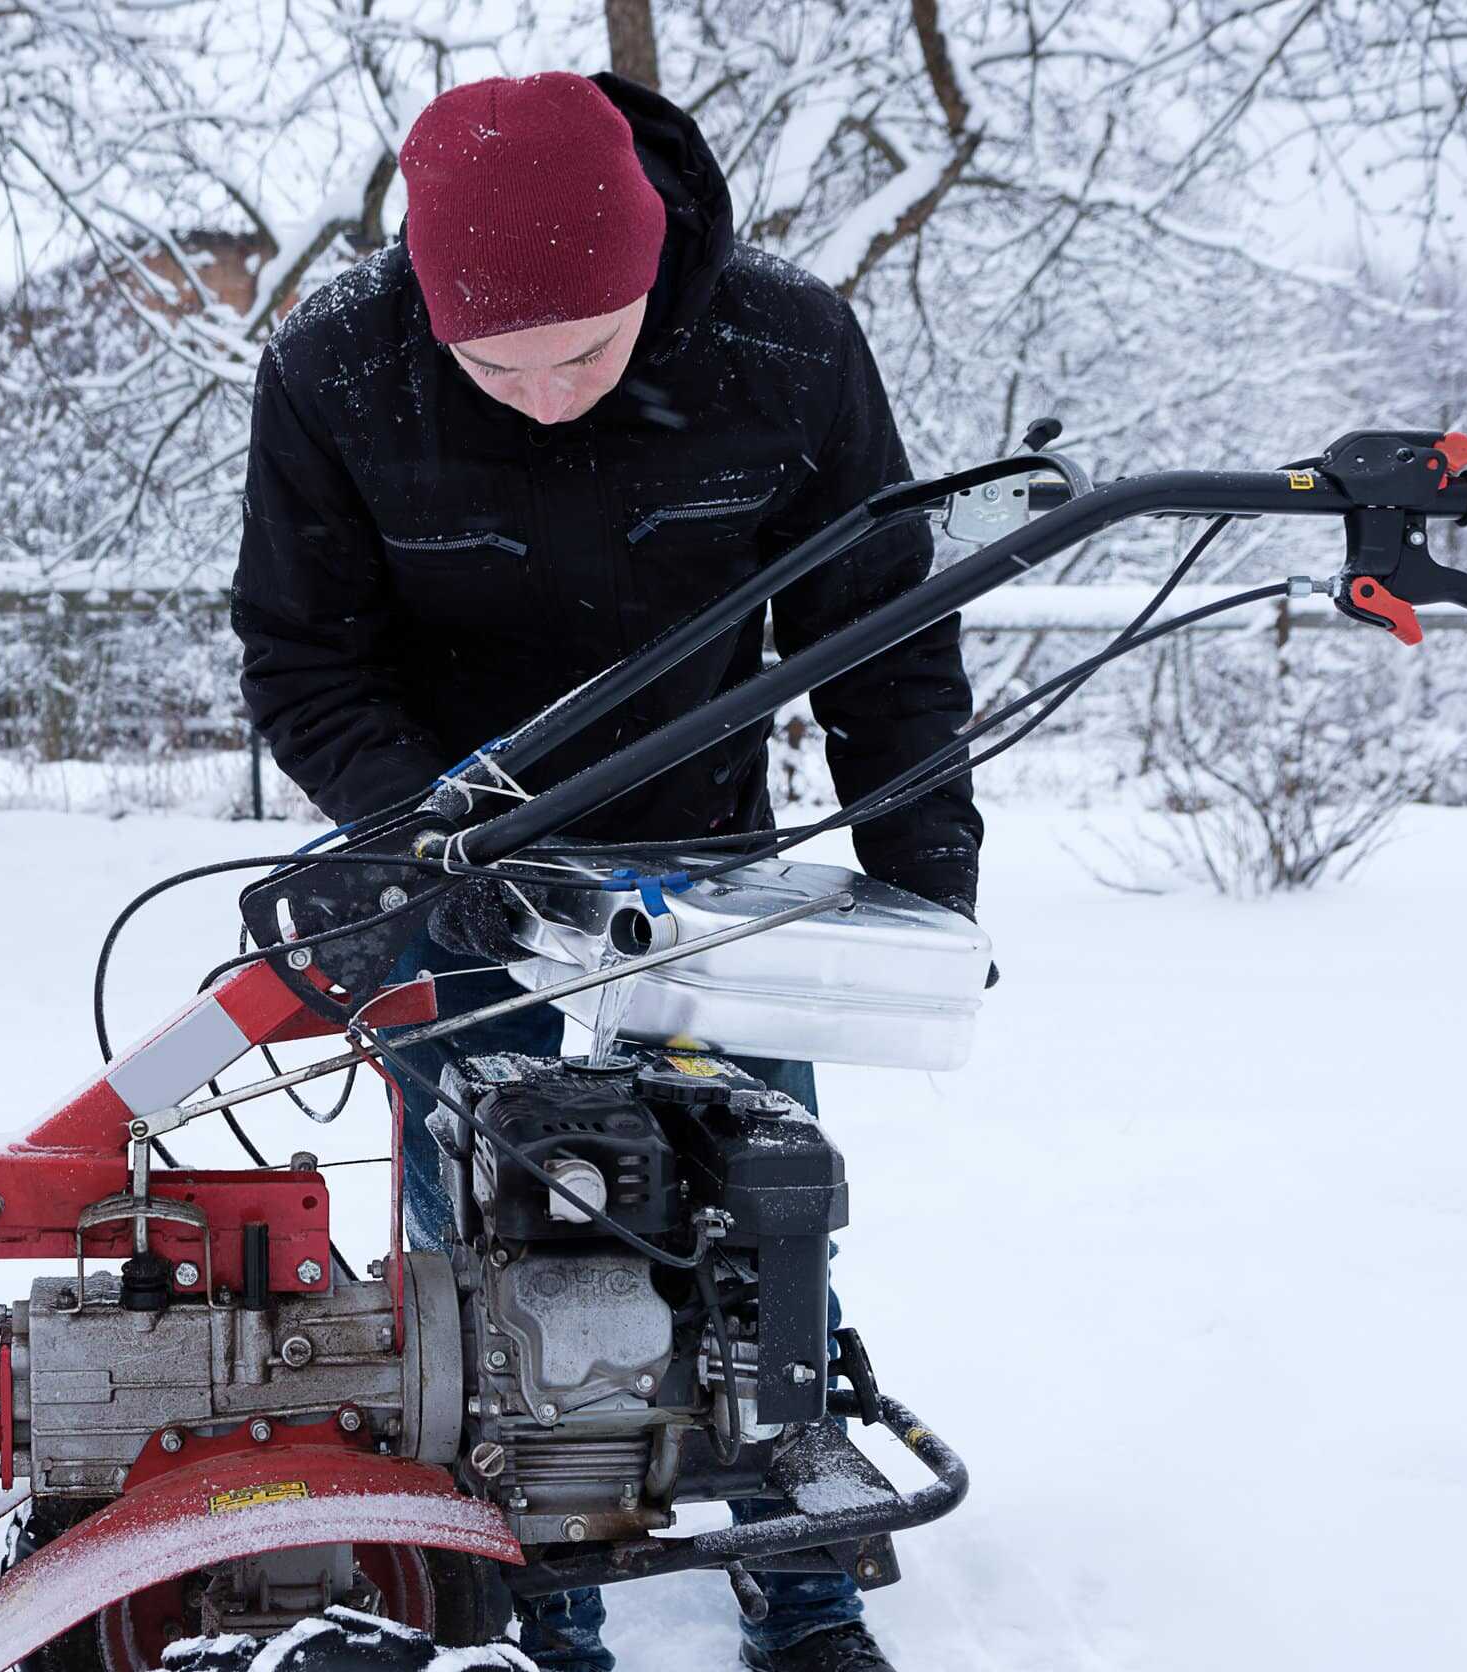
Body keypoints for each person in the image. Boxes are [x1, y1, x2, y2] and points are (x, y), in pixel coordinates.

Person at [230, 70, 984, 1672]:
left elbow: (882, 645)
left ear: (657, 271)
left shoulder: (785, 349)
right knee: (484, 1222)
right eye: (496, 363)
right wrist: (432, 836)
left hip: (708, 866)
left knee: (751, 1211)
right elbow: (302, 661)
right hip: (458, 859)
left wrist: (927, 886)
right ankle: (534, 1596)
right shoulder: (335, 374)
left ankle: (803, 1582)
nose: (547, 392)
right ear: (427, 317)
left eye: (585, 350)